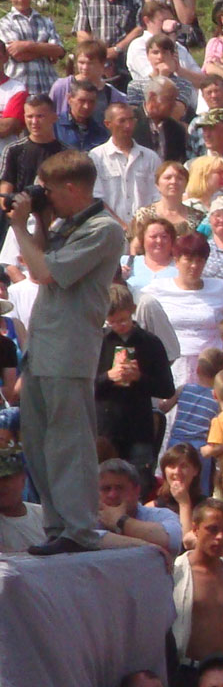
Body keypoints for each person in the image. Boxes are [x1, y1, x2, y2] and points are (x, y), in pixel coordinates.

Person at [10, 148, 126, 552]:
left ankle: (78, 529)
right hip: (44, 347)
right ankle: (57, 527)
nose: (47, 197)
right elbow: (45, 259)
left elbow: (44, 273)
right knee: (39, 442)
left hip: (69, 350)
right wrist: (41, 221)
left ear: (73, 188)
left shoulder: (103, 229)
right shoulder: (68, 224)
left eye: (50, 191)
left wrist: (19, 226)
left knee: (69, 443)